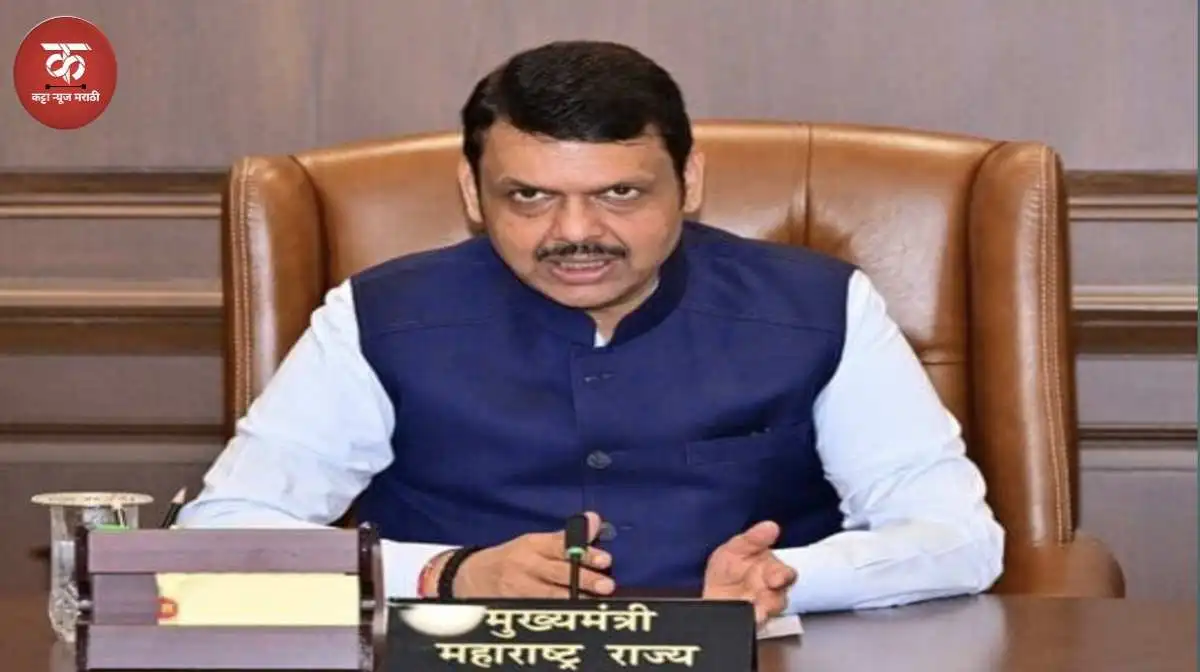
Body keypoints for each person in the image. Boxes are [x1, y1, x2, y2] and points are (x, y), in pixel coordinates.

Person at [178, 40, 1004, 624]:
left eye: (620, 194)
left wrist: (788, 576)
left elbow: (958, 539)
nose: (576, 233)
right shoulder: (379, 315)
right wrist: (451, 573)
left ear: (689, 180)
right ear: (471, 192)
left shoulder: (820, 305)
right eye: (529, 197)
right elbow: (217, 540)